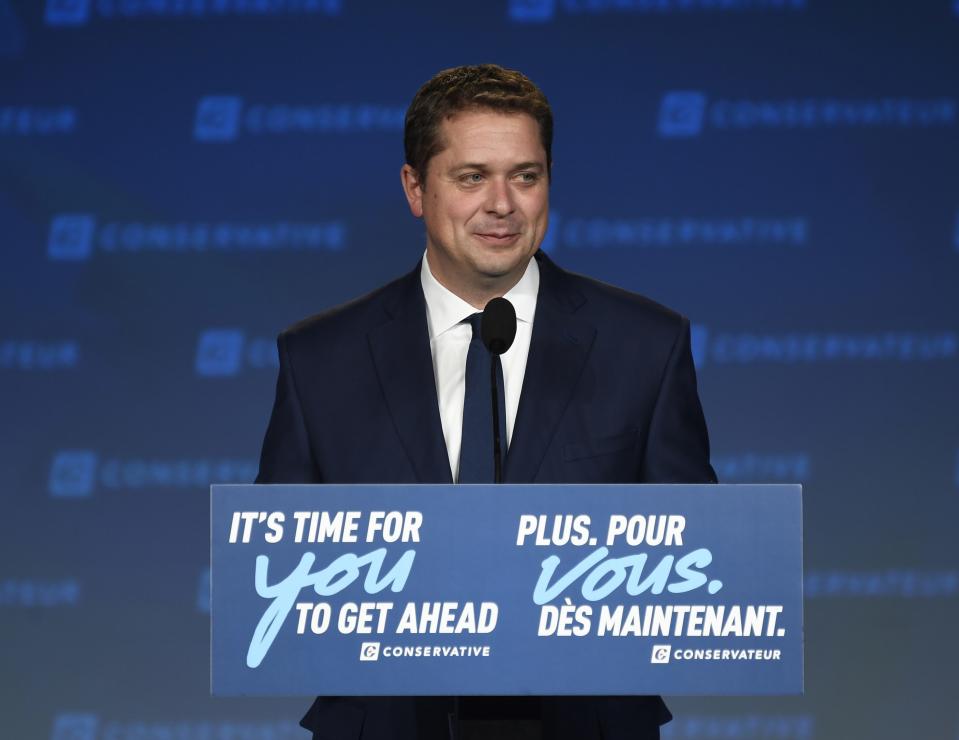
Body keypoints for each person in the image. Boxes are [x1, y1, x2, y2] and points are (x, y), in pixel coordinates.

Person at [255, 64, 716, 740]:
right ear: (415, 188)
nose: (501, 204)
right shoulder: (321, 357)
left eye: (524, 177)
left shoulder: (644, 345)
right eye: (471, 177)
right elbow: (280, 576)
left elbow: (693, 564)